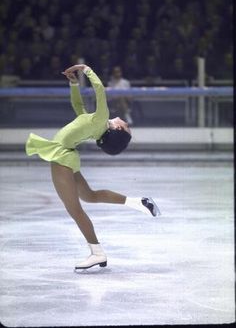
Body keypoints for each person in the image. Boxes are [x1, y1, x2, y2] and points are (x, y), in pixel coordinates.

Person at [25, 64, 161, 271]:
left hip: (62, 156)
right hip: (66, 155)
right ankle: (138, 202)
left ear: (116, 128)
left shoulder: (99, 120)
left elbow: (100, 90)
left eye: (126, 126)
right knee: (89, 196)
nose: (124, 122)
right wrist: (73, 84)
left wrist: (86, 70)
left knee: (75, 210)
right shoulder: (95, 123)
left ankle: (97, 253)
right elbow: (78, 105)